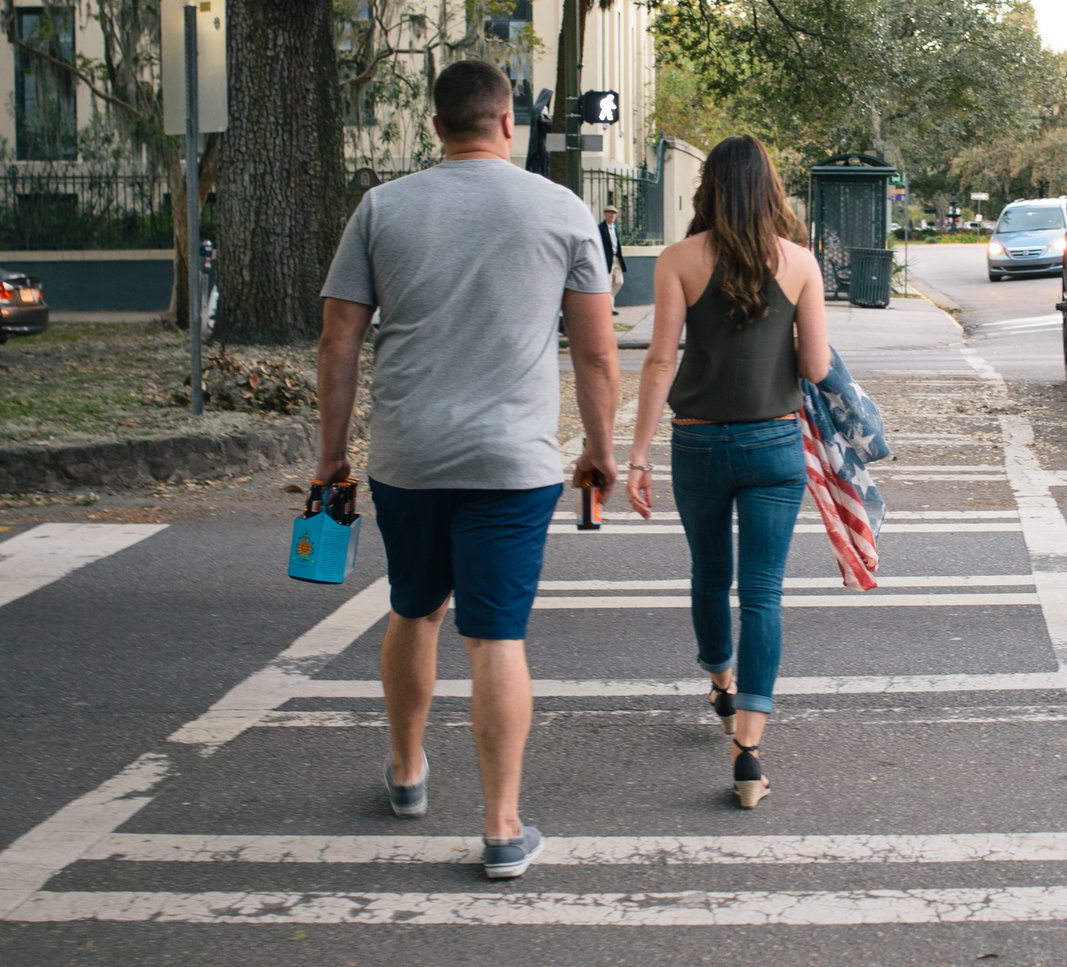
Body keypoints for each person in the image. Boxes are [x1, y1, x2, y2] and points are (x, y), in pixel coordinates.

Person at [315, 58, 619, 879]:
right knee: (495, 632)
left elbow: (338, 341)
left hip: (408, 456)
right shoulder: (561, 210)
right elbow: (594, 351)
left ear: (437, 124)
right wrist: (600, 450)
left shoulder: (382, 207)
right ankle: (500, 826)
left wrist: (331, 457)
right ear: (507, 120)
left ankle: (409, 775)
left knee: (414, 608)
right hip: (513, 464)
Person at [623, 135, 830, 809]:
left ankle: (720, 683)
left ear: (708, 186)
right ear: (769, 188)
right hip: (774, 445)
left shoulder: (678, 260)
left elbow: (659, 360)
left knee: (710, 572)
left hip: (699, 443)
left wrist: (637, 454)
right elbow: (818, 368)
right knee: (763, 592)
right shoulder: (799, 263)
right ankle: (748, 755)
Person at [598, 205, 627, 299]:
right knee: (608, 281)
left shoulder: (614, 228)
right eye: (610, 213)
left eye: (614, 213)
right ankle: (610, 306)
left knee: (619, 281)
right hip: (607, 258)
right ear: (605, 214)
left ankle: (609, 299)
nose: (612, 215)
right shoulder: (600, 228)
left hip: (616, 258)